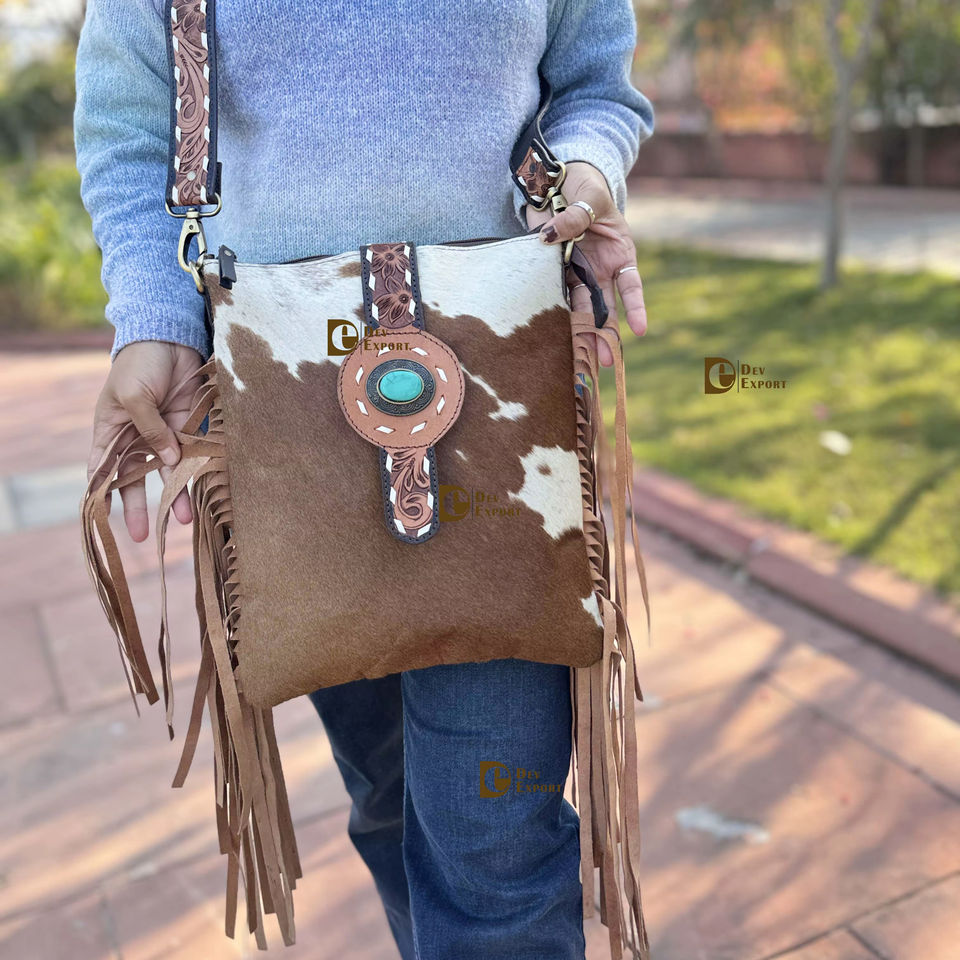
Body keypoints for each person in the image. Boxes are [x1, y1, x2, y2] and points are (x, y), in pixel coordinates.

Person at [74, 2, 653, 957]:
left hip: (504, 402)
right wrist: (154, 317)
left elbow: (595, 87)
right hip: (278, 415)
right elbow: (133, 129)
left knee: (493, 844)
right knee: (389, 801)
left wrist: (584, 169)